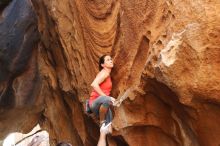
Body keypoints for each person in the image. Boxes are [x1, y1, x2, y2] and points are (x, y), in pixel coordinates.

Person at [89, 54, 115, 146]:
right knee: (106, 99)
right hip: (95, 103)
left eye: (111, 59)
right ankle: (102, 122)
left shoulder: (107, 74)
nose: (111, 60)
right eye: (108, 60)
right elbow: (94, 84)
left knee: (107, 131)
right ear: (102, 65)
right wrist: (107, 97)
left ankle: (103, 126)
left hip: (103, 105)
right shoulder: (104, 73)